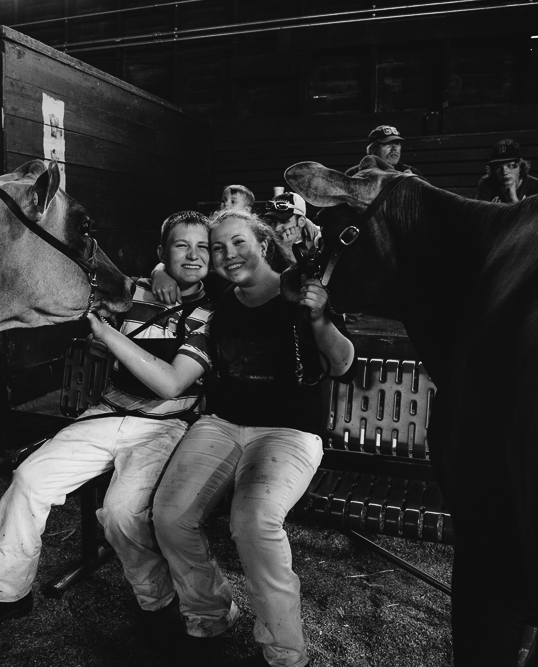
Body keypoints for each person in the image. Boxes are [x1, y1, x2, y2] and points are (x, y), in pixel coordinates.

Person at [0, 211, 216, 640]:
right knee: (29, 479)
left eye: (203, 246)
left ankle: (157, 603)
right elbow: (99, 347)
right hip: (107, 413)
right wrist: (102, 342)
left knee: (123, 513)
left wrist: (107, 336)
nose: (194, 255)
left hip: (164, 426)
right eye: (182, 245)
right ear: (162, 252)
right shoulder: (134, 293)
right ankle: (5, 595)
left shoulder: (212, 312)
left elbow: (170, 386)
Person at [120, 209, 357, 667]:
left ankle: (285, 650)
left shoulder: (301, 292)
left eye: (239, 243)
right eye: (219, 248)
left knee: (253, 522)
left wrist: (320, 317)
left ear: (263, 244)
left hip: (289, 432)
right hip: (222, 424)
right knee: (169, 516)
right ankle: (208, 612)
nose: (229, 255)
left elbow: (343, 364)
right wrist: (154, 270)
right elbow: (168, 269)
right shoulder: (220, 301)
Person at [476, 138, 538, 203]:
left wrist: (513, 200)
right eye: (498, 167)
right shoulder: (486, 184)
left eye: (510, 166)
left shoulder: (537, 187)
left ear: (520, 166)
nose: (504, 172)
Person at [261, 191, 321, 264]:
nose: (277, 228)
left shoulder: (320, 239)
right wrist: (285, 249)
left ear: (301, 221)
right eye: (273, 222)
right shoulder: (266, 241)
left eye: (284, 221)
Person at [344, 125, 424, 179]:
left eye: (397, 144)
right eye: (388, 143)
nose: (394, 148)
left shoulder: (412, 173)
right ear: (372, 150)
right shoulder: (354, 174)